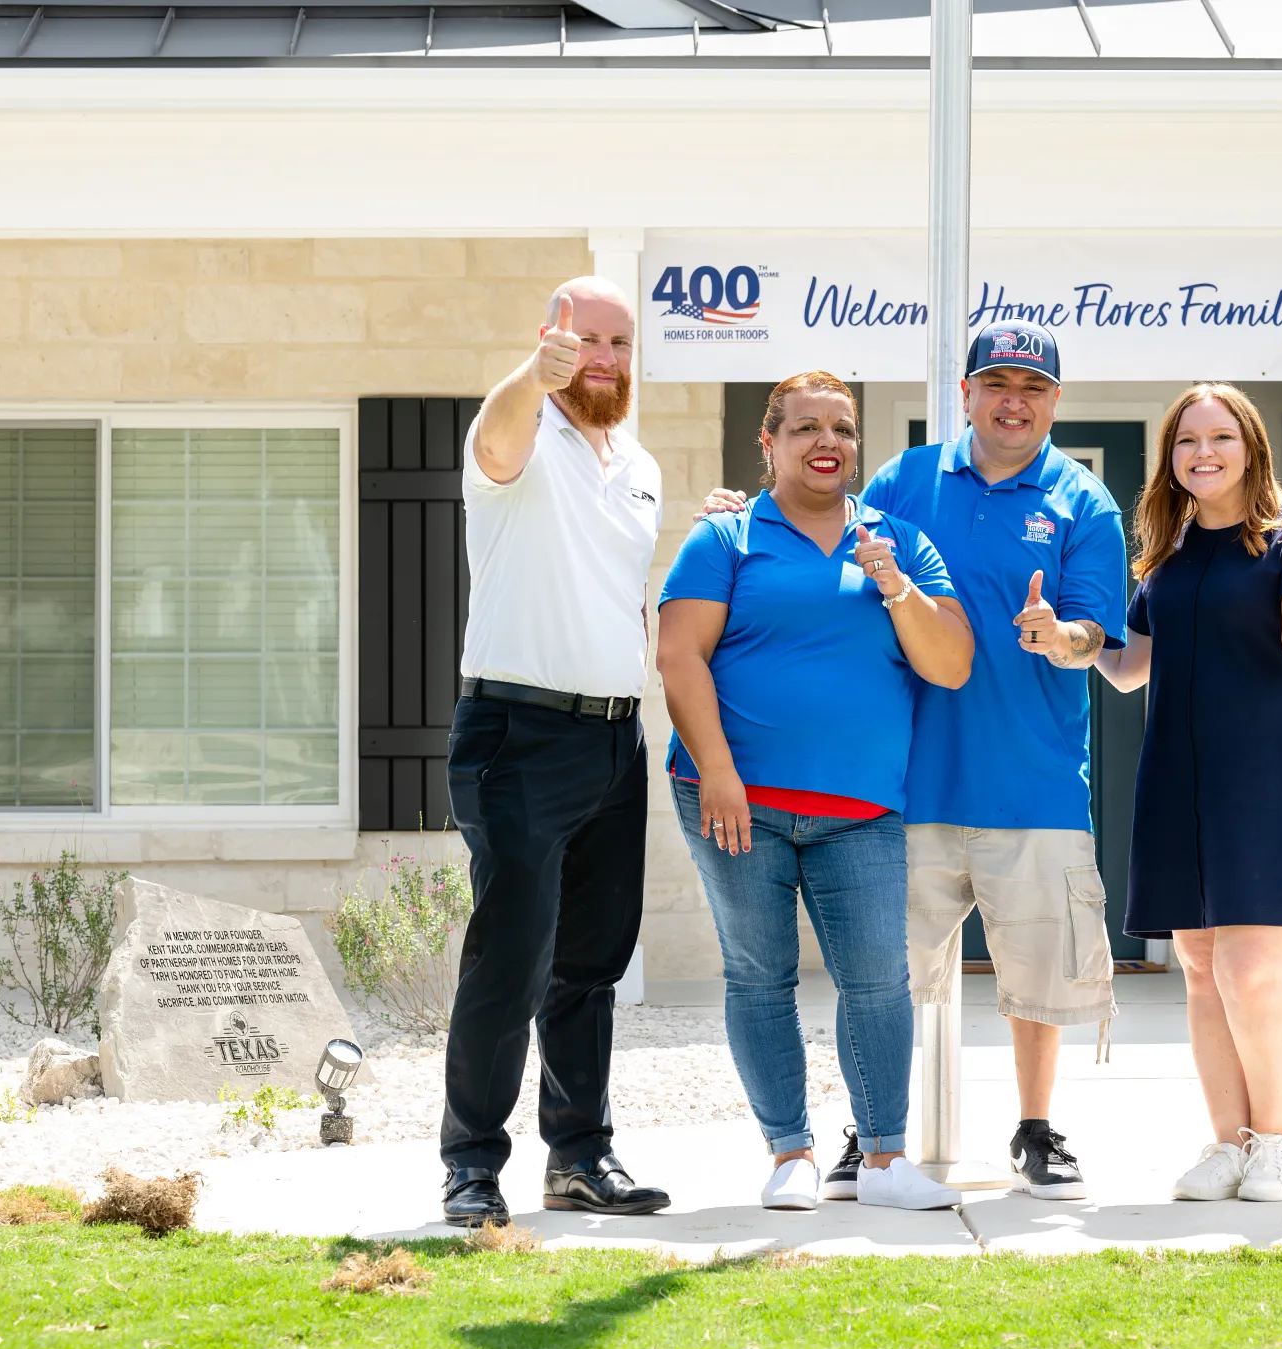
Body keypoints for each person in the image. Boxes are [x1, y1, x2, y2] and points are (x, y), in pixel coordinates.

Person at [702, 321, 1129, 1201]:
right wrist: (731, 515)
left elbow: (1099, 634)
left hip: (1037, 780)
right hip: (908, 781)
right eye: (997, 383)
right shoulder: (906, 480)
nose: (1015, 401)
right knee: (885, 978)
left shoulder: (1085, 502)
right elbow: (821, 535)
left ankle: (1036, 1127)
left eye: (1034, 387)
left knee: (1035, 977)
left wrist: (1063, 637)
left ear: (1055, 401)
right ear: (966, 392)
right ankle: (872, 1131)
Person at [657, 371, 974, 1212]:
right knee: (759, 975)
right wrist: (719, 771)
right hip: (733, 801)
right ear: (768, 444)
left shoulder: (899, 542)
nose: (825, 443)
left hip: (862, 810)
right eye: (804, 429)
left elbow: (951, 663)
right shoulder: (724, 539)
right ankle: (789, 1153)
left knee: (877, 978)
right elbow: (678, 657)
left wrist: (897, 585)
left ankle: (882, 1161)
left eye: (840, 428)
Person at [438, 277, 672, 1228]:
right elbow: (494, 437)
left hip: (616, 738)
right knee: (511, 958)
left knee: (591, 963)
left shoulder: (641, 464)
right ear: (553, 341)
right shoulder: (521, 438)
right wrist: (532, 378)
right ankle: (470, 1167)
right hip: (518, 734)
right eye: (587, 341)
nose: (605, 358)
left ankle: (579, 1154)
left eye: (621, 343)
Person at [1095, 383, 1282, 1205]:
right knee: (1199, 969)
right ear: (1169, 459)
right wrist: (1071, 639)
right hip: (1179, 778)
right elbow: (1130, 667)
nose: (1203, 452)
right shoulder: (1165, 556)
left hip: (1271, 780)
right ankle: (1230, 1143)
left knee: (1248, 970)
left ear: (1251, 447)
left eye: (1220, 436)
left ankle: (1280, 1140)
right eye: (1186, 440)